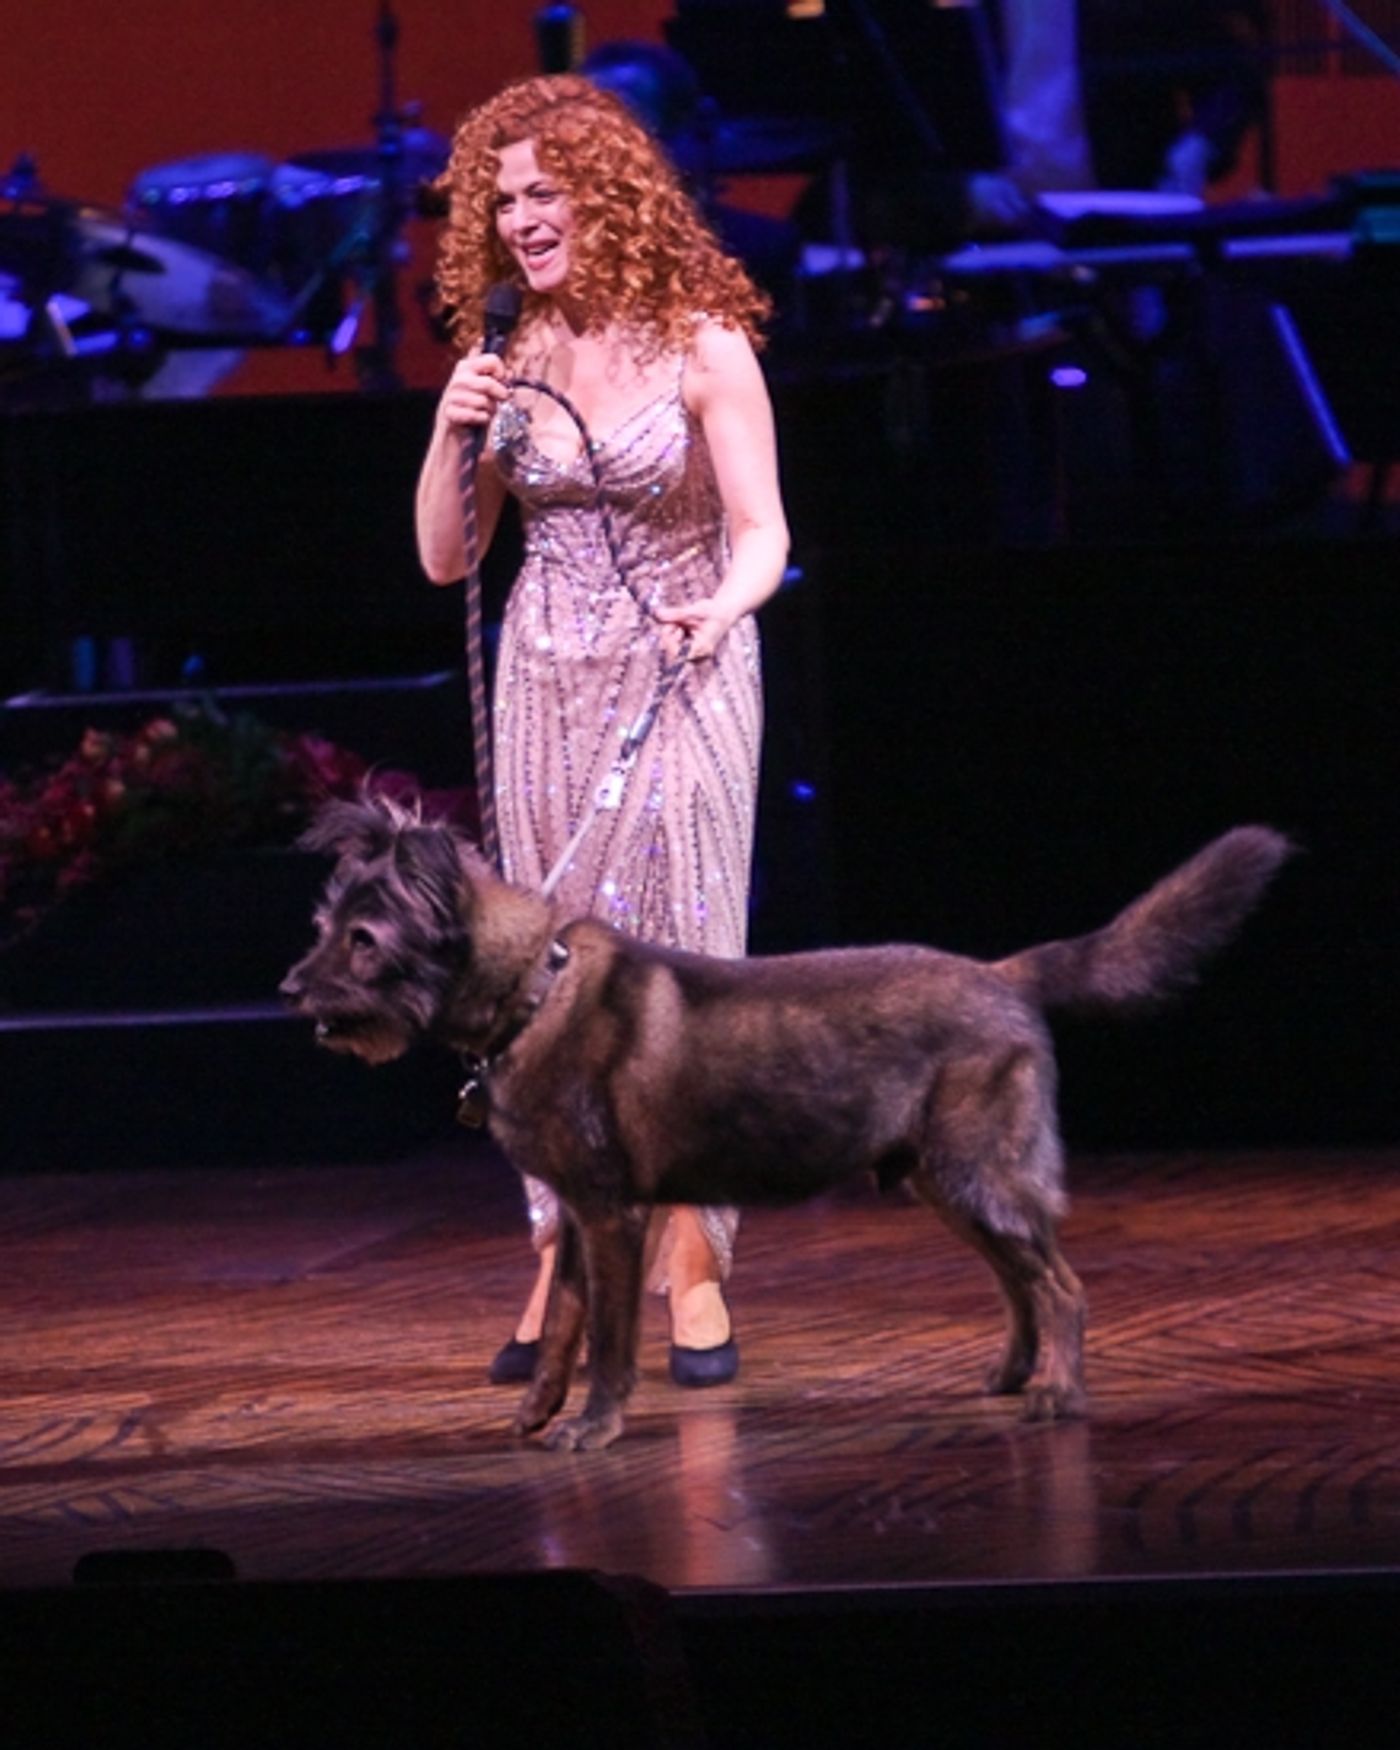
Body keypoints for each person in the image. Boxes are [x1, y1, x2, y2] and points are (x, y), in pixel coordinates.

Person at [414, 74, 789, 1389]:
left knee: (676, 965)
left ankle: (689, 1249)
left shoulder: (700, 339)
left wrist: (724, 605)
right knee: (551, 985)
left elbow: (764, 534)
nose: (520, 220)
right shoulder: (510, 358)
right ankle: (563, 1245)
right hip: (547, 677)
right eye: (500, 200)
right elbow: (451, 559)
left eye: (542, 192)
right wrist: (449, 429)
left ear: (608, 192)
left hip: (681, 666)